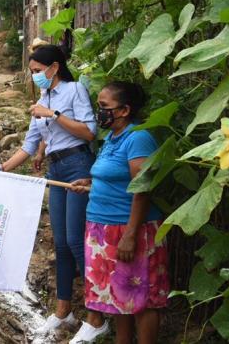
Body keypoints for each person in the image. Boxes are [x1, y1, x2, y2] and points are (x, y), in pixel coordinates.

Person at [0, 44, 98, 336]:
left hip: (78, 164)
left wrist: (52, 114)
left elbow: (89, 131)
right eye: (32, 73)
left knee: (76, 241)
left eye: (37, 71)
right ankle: (63, 311)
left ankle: (97, 316)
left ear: (54, 68)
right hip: (56, 169)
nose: (34, 77)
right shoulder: (42, 98)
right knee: (61, 244)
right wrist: (1, 169)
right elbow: (28, 145)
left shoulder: (74, 90)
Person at [68, 82, 167, 344]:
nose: (99, 112)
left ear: (124, 110)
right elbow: (115, 176)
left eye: (104, 107)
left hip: (129, 229)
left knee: (142, 297)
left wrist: (131, 234)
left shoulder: (138, 138)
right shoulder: (111, 138)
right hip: (103, 228)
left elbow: (142, 188)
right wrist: (90, 184)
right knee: (118, 296)